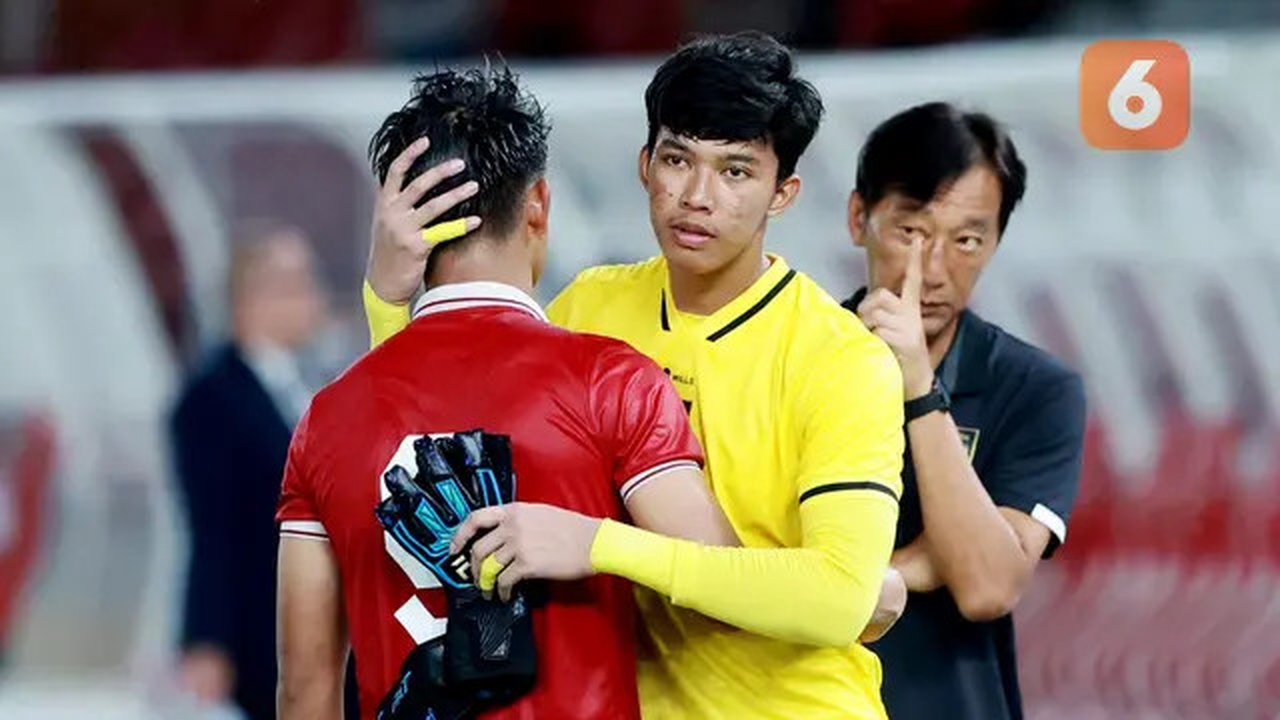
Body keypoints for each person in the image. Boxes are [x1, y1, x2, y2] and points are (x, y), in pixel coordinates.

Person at [363, 33, 907, 719]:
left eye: (736, 171)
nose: (698, 196)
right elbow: (441, 443)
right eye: (679, 160)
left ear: (783, 193)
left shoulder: (841, 359)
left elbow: (839, 600)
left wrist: (598, 545)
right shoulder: (591, 307)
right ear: (646, 165)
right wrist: (387, 300)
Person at [275, 65, 750, 720]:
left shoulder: (327, 419)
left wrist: (383, 299)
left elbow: (304, 690)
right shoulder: (610, 379)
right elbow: (726, 595)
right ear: (538, 206)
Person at [844, 102, 1087, 720]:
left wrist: (921, 390)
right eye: (911, 232)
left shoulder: (1035, 389)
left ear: (996, 242)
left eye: (968, 240)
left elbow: (987, 585)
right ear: (858, 218)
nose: (933, 269)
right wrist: (923, 562)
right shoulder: (788, 359)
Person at [170, 223, 331, 720]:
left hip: (317, 630)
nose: (314, 300)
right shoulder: (212, 398)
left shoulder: (303, 387)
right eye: (299, 284)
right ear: (256, 296)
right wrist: (207, 639)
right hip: (260, 634)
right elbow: (211, 528)